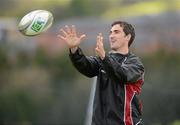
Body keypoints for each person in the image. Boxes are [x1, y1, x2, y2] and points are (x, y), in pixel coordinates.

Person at [58, 21, 145, 125]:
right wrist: (74, 49)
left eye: (116, 32)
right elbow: (86, 66)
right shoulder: (103, 60)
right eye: (110, 32)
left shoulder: (135, 64)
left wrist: (104, 58)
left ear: (128, 37)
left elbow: (122, 74)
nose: (111, 36)